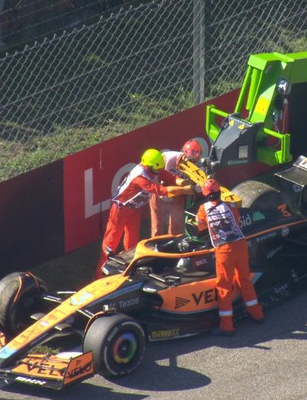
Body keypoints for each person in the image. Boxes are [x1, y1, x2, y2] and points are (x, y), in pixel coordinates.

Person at [97, 148, 194, 277]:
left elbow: (169, 177)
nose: (159, 172)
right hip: (120, 210)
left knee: (132, 243)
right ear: (149, 167)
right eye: (157, 169)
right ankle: (100, 275)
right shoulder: (140, 177)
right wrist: (184, 190)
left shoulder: (154, 169)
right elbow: (160, 190)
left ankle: (129, 271)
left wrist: (185, 183)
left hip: (134, 210)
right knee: (110, 244)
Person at [196, 178, 263, 335]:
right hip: (240, 246)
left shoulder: (203, 209)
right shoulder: (231, 206)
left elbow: (199, 226)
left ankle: (227, 325)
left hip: (224, 250)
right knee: (244, 280)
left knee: (224, 287)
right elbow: (237, 221)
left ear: (205, 195)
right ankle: (257, 314)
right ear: (219, 192)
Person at [150, 139, 202, 237]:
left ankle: (175, 242)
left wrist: (197, 186)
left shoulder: (198, 166)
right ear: (184, 155)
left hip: (177, 192)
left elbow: (194, 183)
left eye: (194, 162)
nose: (192, 164)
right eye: (190, 161)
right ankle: (155, 244)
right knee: (157, 225)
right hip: (160, 190)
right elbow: (154, 176)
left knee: (176, 225)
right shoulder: (168, 158)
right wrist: (160, 194)